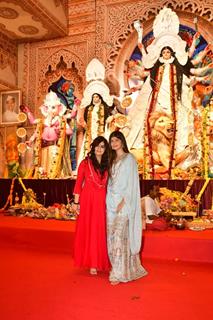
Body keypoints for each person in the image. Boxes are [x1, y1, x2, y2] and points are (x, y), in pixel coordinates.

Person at [106, 131, 147, 285]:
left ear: (122, 141)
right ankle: (115, 267)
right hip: (110, 202)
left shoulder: (130, 159)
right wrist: (109, 201)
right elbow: (109, 182)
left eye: (117, 140)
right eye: (112, 141)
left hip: (124, 204)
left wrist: (124, 202)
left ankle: (119, 272)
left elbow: (131, 184)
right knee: (111, 237)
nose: (114, 143)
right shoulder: (111, 160)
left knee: (120, 238)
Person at [72, 136, 110, 275]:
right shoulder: (85, 163)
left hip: (102, 201)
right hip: (88, 200)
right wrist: (76, 202)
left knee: (99, 230)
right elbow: (78, 184)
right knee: (89, 229)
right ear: (93, 147)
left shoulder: (107, 165)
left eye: (102, 146)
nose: (99, 149)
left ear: (105, 149)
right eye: (97, 146)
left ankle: (99, 260)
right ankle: (92, 263)